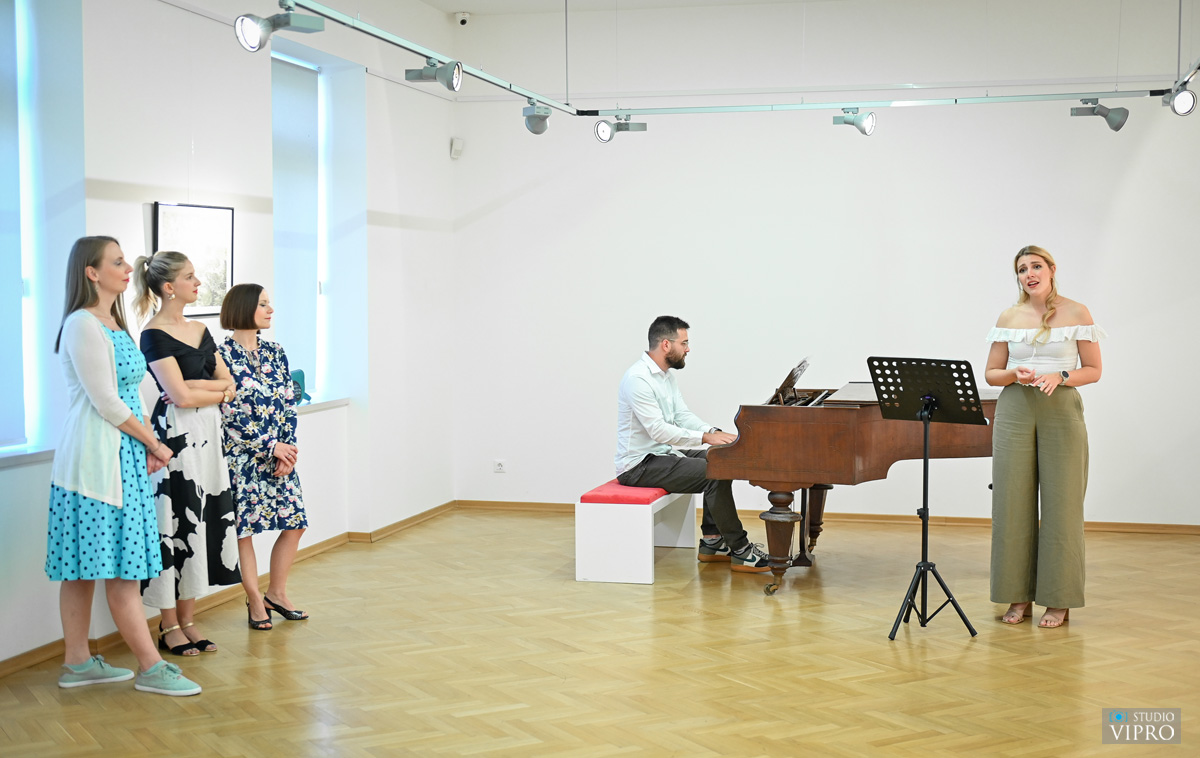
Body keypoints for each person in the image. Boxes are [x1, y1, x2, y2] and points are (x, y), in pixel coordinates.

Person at [45, 235, 201, 696]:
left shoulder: (112, 322)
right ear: (92, 273)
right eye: (117, 262)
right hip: (94, 464)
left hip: (121, 456)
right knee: (110, 569)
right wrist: (154, 442)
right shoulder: (81, 325)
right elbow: (107, 402)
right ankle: (150, 667)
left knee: (98, 566)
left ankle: (78, 663)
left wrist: (146, 445)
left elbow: (130, 395)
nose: (127, 268)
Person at [985, 246, 1104, 628]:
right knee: (1011, 503)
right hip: (1015, 408)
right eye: (1022, 269)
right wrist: (1013, 373)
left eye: (1036, 266)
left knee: (1062, 504)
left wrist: (1062, 375)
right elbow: (991, 373)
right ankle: (1017, 595)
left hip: (1061, 408)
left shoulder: (1077, 312)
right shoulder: (1009, 317)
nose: (1029, 274)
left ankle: (1058, 599)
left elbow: (1094, 369)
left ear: (1051, 269)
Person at [134, 251, 241, 654]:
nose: (198, 283)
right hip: (175, 436)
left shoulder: (200, 329)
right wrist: (212, 391)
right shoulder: (153, 334)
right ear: (169, 287)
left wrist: (202, 389)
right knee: (175, 522)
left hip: (209, 433)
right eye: (190, 277)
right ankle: (168, 625)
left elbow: (229, 383)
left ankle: (189, 620)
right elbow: (178, 396)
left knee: (203, 520)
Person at [615, 315, 769, 572]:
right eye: (684, 343)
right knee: (714, 473)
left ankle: (712, 541)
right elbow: (659, 431)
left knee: (721, 458)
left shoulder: (665, 376)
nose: (688, 349)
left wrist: (713, 432)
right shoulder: (637, 379)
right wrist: (705, 438)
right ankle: (741, 550)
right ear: (666, 344)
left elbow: (681, 415)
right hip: (638, 466)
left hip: (661, 454)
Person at [215, 284, 308, 630]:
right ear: (243, 309)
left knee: (295, 523)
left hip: (281, 455)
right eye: (263, 304)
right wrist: (270, 446)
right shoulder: (221, 356)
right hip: (242, 458)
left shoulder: (276, 351)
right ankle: (255, 600)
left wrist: (287, 449)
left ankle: (276, 594)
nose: (271, 310)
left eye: (269, 304)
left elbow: (288, 402)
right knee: (244, 531)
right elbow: (228, 415)